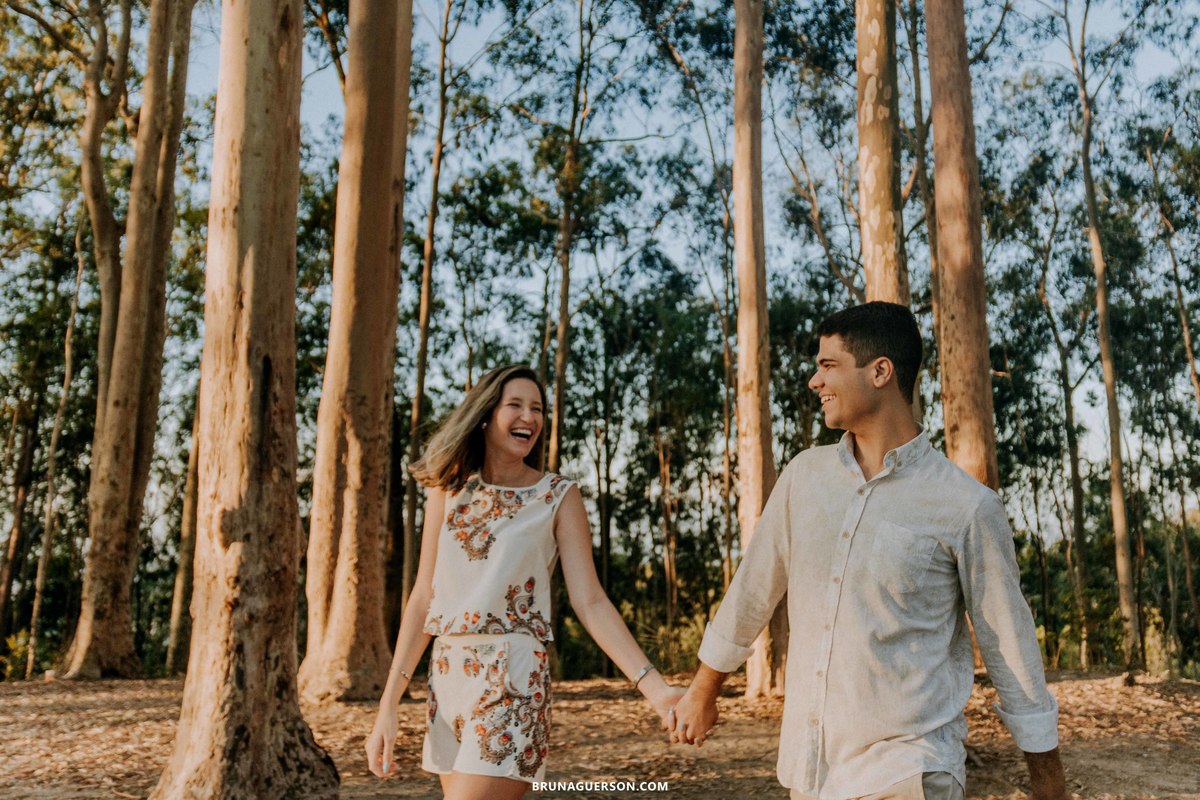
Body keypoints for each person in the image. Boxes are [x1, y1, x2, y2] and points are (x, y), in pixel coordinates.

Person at [669, 302, 1070, 800]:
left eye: (828, 365)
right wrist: (704, 688)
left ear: (881, 371)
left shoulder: (966, 506)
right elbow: (753, 588)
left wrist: (1049, 785)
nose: (815, 381)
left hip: (910, 769)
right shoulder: (804, 478)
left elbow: (1010, 646)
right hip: (813, 772)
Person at [365, 364, 682, 800]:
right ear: (485, 414)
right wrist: (389, 705)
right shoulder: (448, 491)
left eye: (537, 408)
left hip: (513, 679)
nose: (529, 418)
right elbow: (423, 598)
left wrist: (656, 689)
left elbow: (590, 601)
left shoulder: (558, 496)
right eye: (515, 405)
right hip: (448, 678)